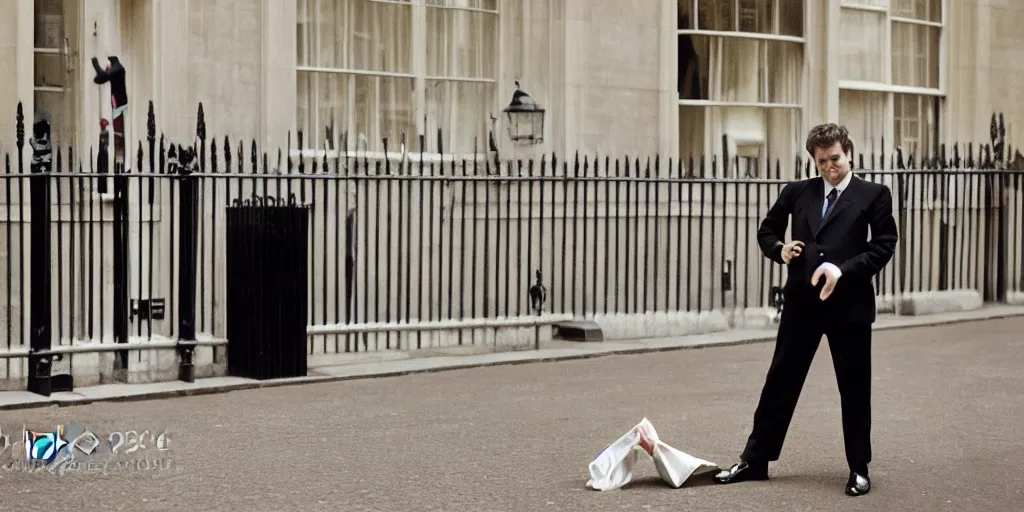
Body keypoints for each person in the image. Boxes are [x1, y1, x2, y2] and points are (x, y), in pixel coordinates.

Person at [712, 123, 898, 497]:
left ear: (850, 155)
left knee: (854, 387)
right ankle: (755, 461)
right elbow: (767, 231)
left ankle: (859, 468)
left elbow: (884, 244)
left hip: (849, 306)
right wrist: (779, 249)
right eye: (822, 161)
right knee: (780, 380)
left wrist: (841, 270)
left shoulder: (874, 194)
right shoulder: (797, 192)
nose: (831, 167)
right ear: (813, 161)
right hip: (802, 303)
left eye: (836, 159)